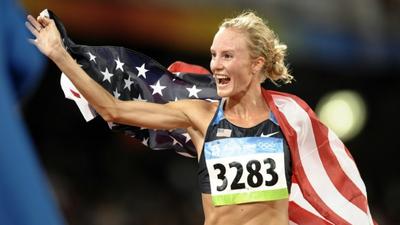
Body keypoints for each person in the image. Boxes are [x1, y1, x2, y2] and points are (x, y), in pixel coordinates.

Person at [26, 10, 375, 225]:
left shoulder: (290, 118)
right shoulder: (199, 116)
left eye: (227, 55)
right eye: (213, 55)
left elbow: (323, 183)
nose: (216, 65)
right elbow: (113, 109)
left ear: (257, 63)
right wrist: (59, 54)